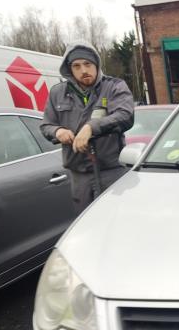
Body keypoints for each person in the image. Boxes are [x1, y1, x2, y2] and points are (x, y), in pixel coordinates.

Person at [41, 41, 134, 213]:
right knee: (86, 224)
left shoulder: (114, 86)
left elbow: (125, 115)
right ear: (69, 69)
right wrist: (57, 131)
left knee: (117, 221)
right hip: (79, 177)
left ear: (96, 64)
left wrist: (91, 127)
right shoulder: (57, 93)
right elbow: (46, 125)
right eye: (76, 66)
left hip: (112, 172)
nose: (83, 70)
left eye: (87, 64)